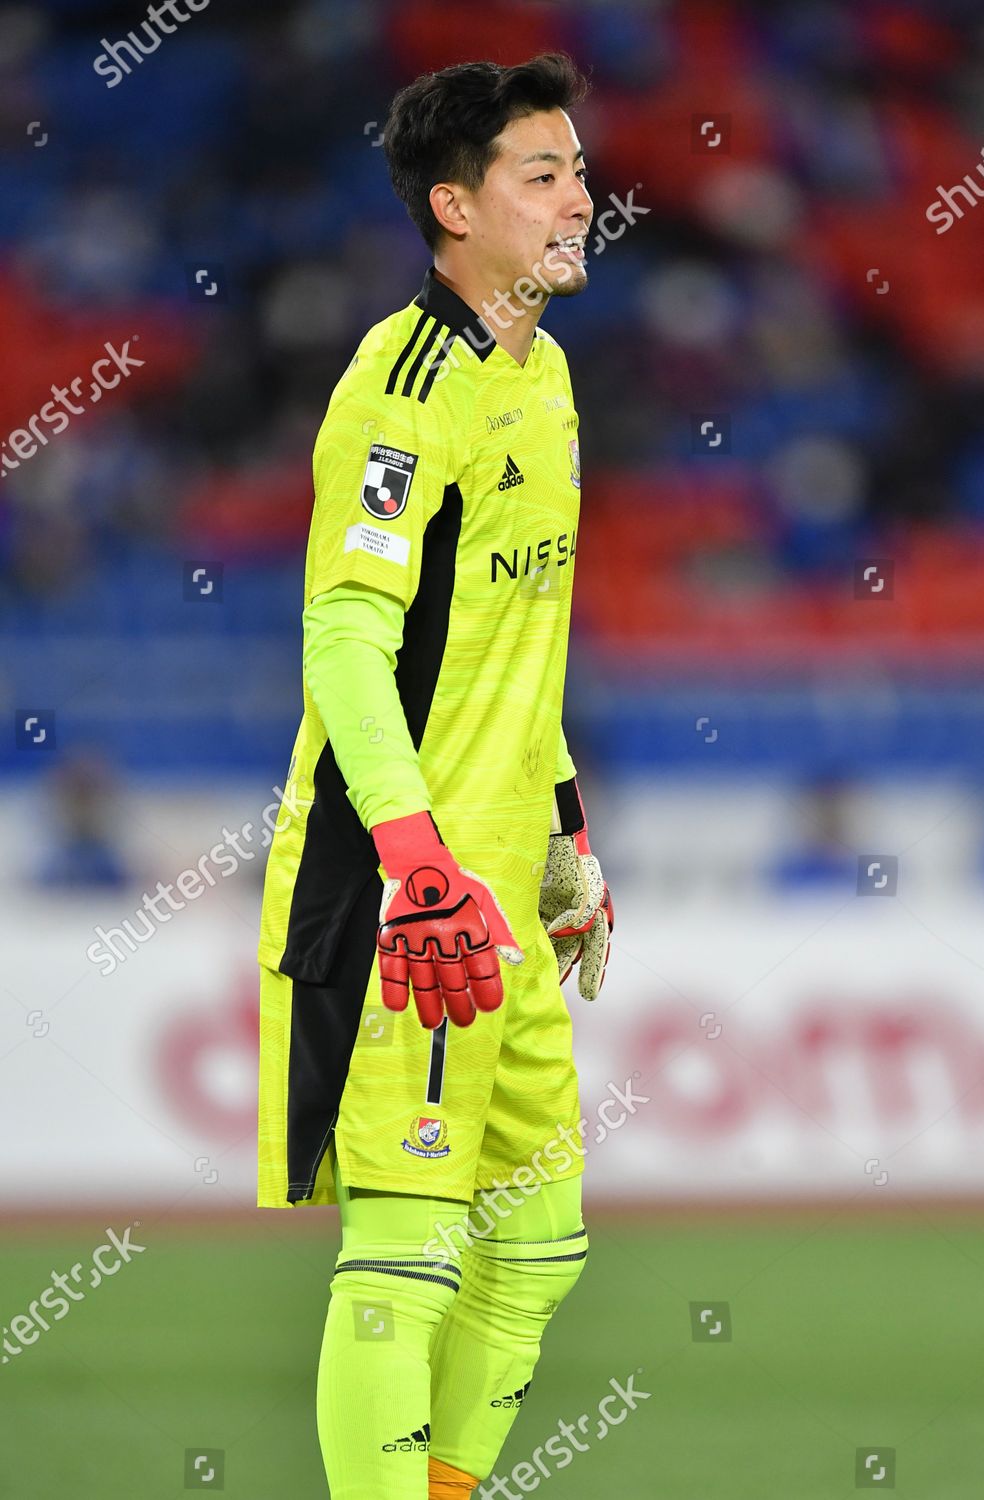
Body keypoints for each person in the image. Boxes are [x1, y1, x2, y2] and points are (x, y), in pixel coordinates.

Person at [256, 51, 612, 1500]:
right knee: (404, 1250)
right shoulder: (403, 390)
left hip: (502, 895)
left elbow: (514, 646)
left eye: (580, 169)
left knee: (539, 1248)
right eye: (546, 175)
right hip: (408, 896)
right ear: (456, 208)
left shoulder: (552, 375)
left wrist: (562, 839)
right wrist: (423, 860)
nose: (583, 197)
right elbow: (343, 636)